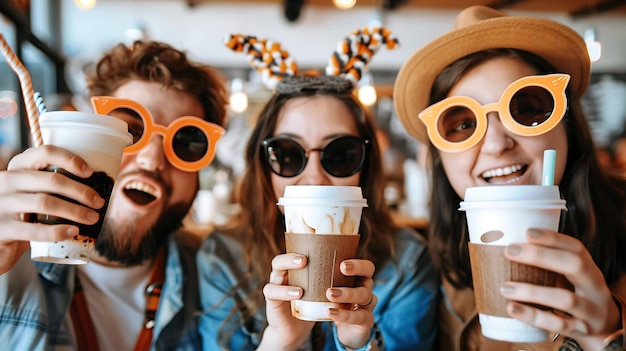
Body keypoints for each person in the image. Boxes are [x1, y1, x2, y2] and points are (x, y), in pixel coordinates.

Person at [393, 5, 626, 351]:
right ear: (440, 158)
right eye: (463, 125)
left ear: (569, 128)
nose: (497, 144)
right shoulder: (435, 267)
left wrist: (607, 335)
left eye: (526, 109)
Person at [196, 29, 439, 351]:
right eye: (287, 154)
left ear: (366, 165)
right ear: (262, 165)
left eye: (340, 155)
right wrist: (280, 342)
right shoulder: (222, 259)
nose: (314, 178)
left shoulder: (407, 261)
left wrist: (358, 343)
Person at [0, 40, 228, 350]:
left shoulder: (222, 283)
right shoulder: (10, 266)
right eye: (130, 132)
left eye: (185, 143)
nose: (152, 160)